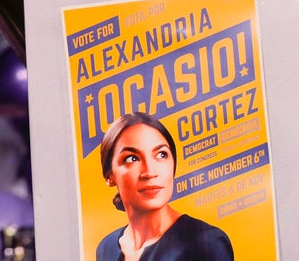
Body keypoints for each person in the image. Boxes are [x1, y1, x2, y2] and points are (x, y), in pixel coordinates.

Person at [96, 112, 234, 261]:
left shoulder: (206, 242)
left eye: (161, 155)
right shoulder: (106, 249)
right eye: (132, 158)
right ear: (110, 176)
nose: (149, 172)